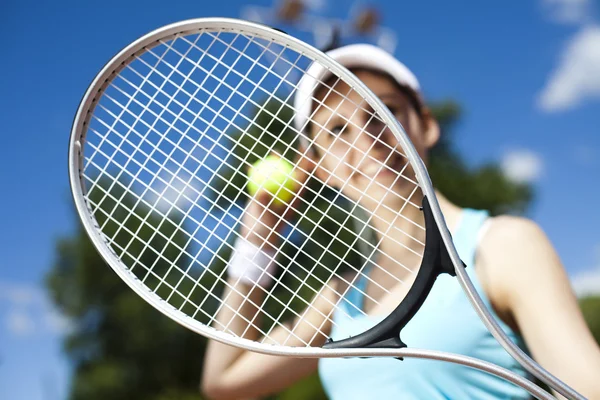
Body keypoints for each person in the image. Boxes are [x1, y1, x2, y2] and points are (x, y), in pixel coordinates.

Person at [201, 44, 600, 399]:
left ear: (425, 125)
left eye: (383, 111)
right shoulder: (339, 301)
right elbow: (224, 383)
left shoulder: (501, 245)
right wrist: (256, 245)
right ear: (319, 167)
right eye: (337, 130)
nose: (367, 139)